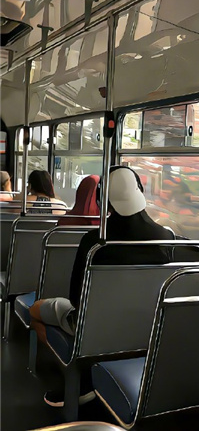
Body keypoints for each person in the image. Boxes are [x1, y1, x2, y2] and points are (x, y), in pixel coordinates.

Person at [29, 166, 174, 407]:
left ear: (102, 200)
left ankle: (77, 378)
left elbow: (76, 298)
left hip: (93, 326)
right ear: (140, 190)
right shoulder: (166, 237)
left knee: (35, 311)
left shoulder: (95, 241)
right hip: (145, 325)